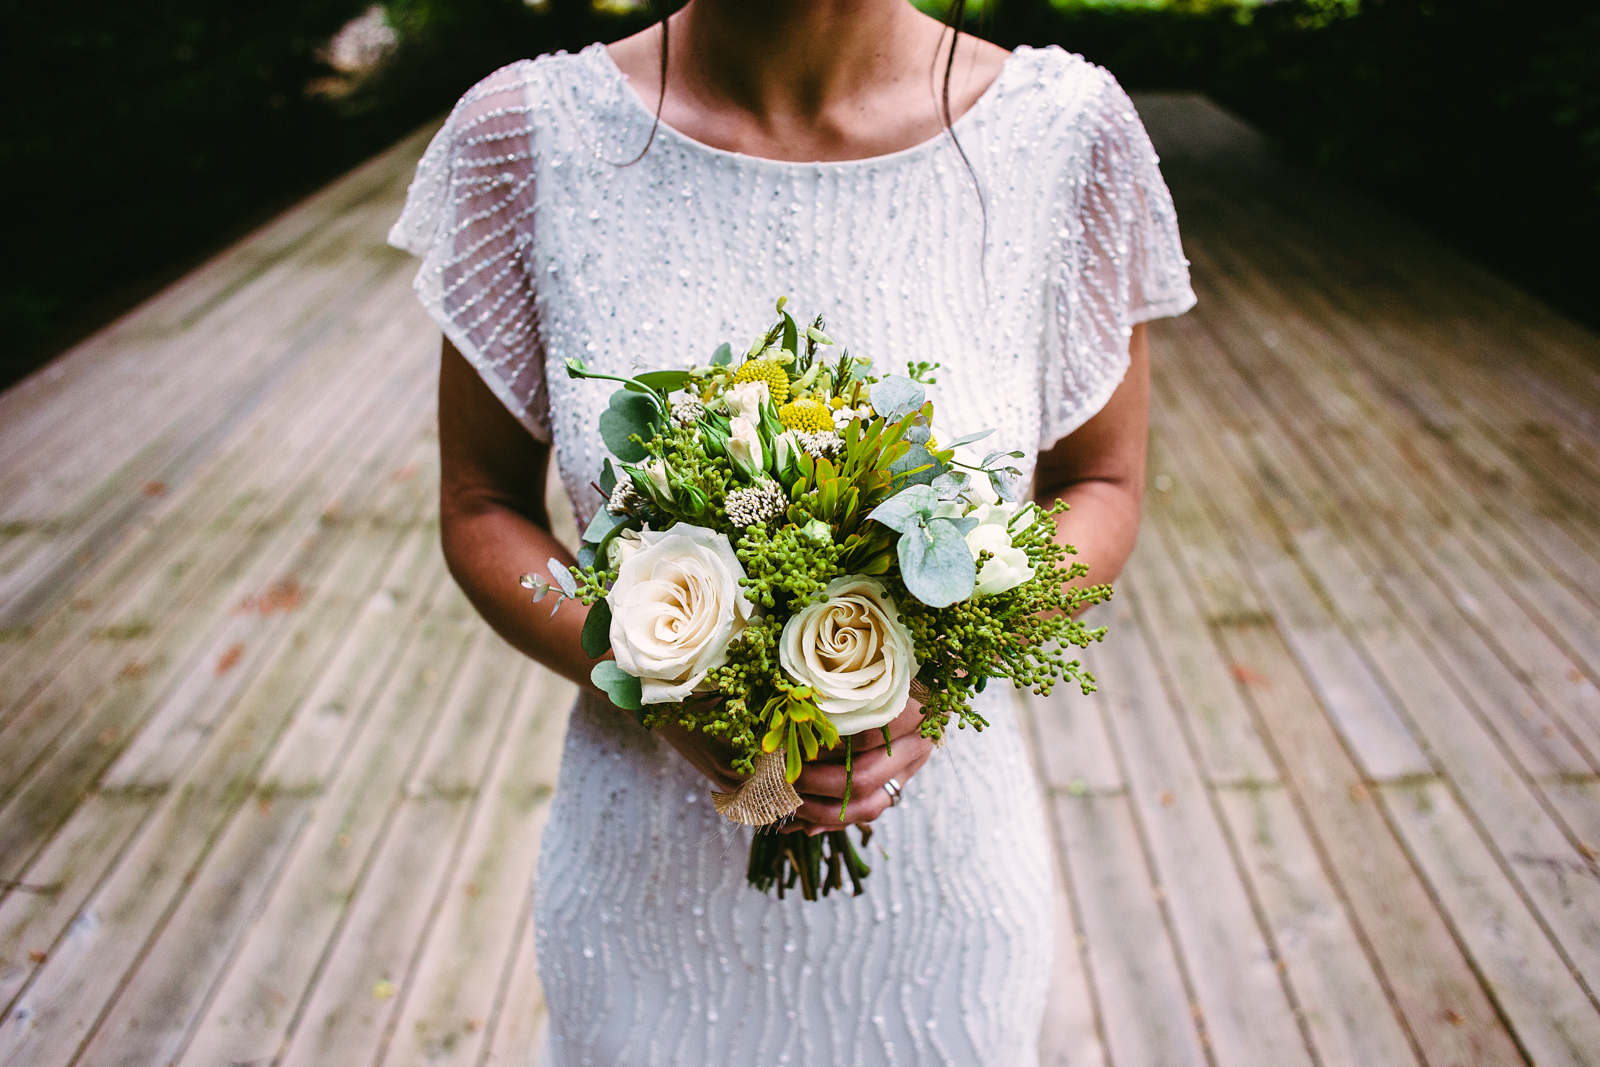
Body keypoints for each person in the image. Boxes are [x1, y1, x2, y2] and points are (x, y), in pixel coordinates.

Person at [388, 1, 1194, 1062]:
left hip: (939, 892)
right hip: (645, 890)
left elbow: (1100, 478)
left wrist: (934, 670)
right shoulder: (525, 135)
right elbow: (481, 503)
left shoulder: (1066, 131)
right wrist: (665, 678)